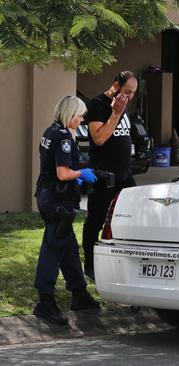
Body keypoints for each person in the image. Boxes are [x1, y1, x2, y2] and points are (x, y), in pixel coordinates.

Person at [34, 96, 101, 326]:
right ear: (70, 114)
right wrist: (81, 174)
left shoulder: (49, 131)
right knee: (53, 247)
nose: (82, 119)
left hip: (49, 196)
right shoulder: (63, 137)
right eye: (80, 115)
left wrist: (80, 171)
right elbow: (63, 173)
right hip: (56, 201)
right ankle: (44, 301)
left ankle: (79, 294)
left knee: (69, 247)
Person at [82, 71, 138, 280]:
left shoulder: (123, 104)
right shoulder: (97, 105)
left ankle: (123, 262)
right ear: (115, 85)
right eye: (127, 92)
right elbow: (99, 139)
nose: (129, 97)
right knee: (96, 220)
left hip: (124, 174)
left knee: (131, 217)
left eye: (133, 93)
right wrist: (115, 113)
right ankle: (90, 264)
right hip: (104, 175)